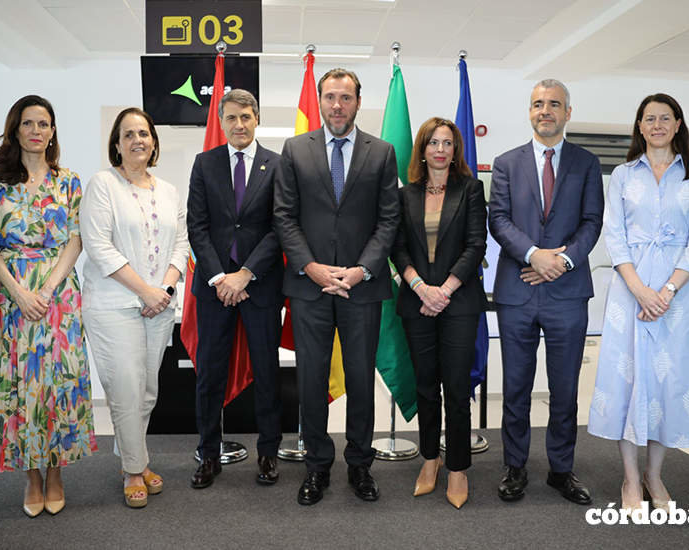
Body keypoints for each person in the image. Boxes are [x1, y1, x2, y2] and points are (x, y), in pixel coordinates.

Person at [274, 68, 399, 506]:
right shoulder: (295, 150)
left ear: (358, 102)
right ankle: (317, 467)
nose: (336, 105)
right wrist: (311, 267)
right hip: (310, 288)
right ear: (321, 101)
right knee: (310, 382)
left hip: (361, 287)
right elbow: (284, 216)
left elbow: (389, 220)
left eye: (345, 98)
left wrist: (360, 270)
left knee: (362, 381)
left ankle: (360, 464)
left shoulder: (382, 153)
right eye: (329, 97)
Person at [587, 93, 689, 511]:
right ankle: (628, 480)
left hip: (679, 293)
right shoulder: (624, 175)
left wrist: (667, 291)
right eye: (648, 119)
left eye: (665, 118)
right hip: (630, 289)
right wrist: (641, 290)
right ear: (639, 127)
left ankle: (654, 476)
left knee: (668, 382)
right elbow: (614, 234)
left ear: (678, 124)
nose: (657, 125)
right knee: (630, 382)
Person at [0, 95, 97, 518]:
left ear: (52, 131)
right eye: (27, 123)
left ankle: (56, 471)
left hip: (58, 294)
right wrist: (17, 291)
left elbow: (75, 240)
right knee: (21, 387)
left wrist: (46, 289)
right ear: (15, 130)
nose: (36, 131)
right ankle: (31, 474)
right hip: (11, 295)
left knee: (57, 383)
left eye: (43, 123)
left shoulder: (69, 181)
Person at [489, 79, 603, 505]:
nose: (545, 111)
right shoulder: (506, 162)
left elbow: (592, 221)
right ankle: (514, 467)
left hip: (568, 292)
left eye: (554, 104)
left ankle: (561, 469)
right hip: (518, 289)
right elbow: (498, 219)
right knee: (516, 387)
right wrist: (535, 255)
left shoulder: (587, 163)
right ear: (530, 111)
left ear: (567, 112)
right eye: (538, 104)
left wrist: (563, 261)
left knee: (565, 388)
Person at [79, 107, 188, 508]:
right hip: (112, 306)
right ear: (117, 144)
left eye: (144, 133)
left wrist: (166, 288)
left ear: (154, 141)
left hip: (158, 305)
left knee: (145, 391)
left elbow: (181, 243)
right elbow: (99, 247)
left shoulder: (169, 191)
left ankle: (132, 455)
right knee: (124, 388)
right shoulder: (102, 184)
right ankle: (133, 469)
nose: (137, 140)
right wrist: (146, 291)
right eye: (128, 134)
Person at [187, 90, 284, 489]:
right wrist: (220, 278)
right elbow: (198, 226)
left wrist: (245, 274)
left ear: (256, 118)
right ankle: (209, 455)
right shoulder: (205, 163)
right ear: (222, 121)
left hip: (259, 286)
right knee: (210, 374)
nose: (239, 124)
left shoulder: (278, 165)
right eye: (231, 118)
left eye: (246, 116)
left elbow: (281, 227)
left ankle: (268, 454)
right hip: (214, 288)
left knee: (267, 373)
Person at [391, 118, 487, 509]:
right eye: (434, 143)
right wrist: (419, 288)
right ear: (422, 149)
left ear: (456, 149)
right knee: (426, 387)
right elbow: (398, 249)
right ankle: (430, 460)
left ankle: (458, 468)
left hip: (458, 303)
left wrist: (444, 290)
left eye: (448, 143)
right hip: (418, 302)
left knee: (457, 389)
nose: (441, 150)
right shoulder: (405, 195)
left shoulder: (471, 189)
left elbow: (475, 245)